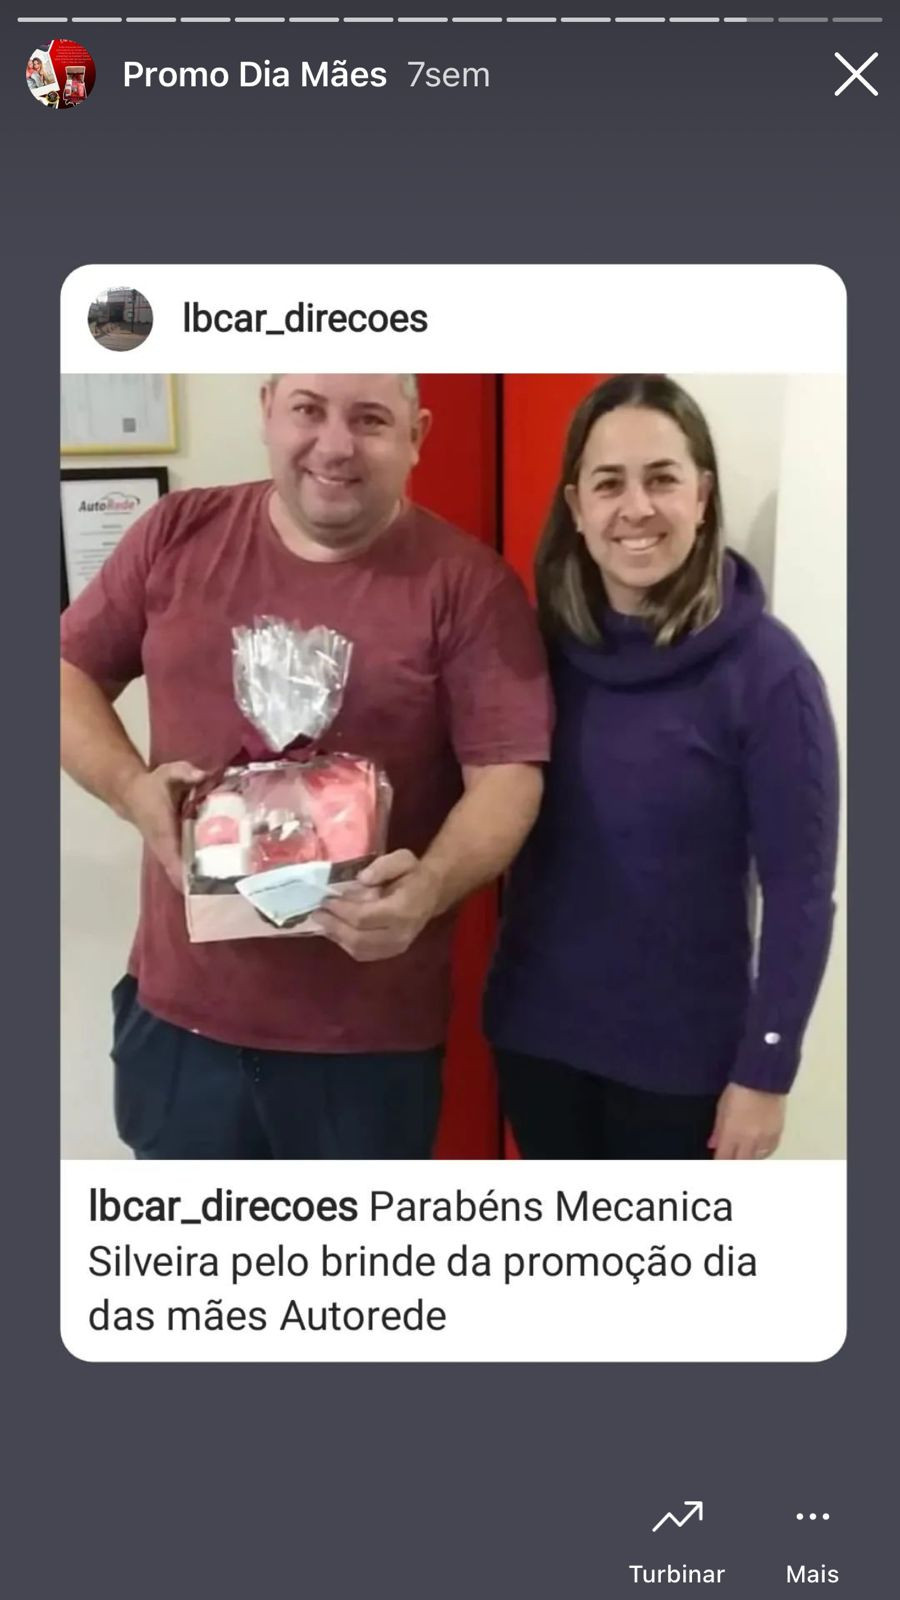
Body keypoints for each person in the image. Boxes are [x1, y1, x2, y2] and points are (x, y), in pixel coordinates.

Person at [61, 374, 552, 1160]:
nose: (335, 445)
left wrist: (429, 888)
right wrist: (129, 789)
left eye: (370, 419)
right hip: (179, 1022)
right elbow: (64, 673)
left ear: (418, 435)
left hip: (366, 1047)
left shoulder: (469, 585)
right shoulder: (176, 533)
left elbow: (509, 775)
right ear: (267, 411)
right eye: (308, 410)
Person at [484, 374, 839, 1161]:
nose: (636, 508)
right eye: (609, 483)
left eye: (663, 479)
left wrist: (767, 1071)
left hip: (684, 1072)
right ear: (576, 507)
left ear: (702, 496)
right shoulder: (532, 652)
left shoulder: (768, 673)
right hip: (538, 1045)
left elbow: (800, 893)